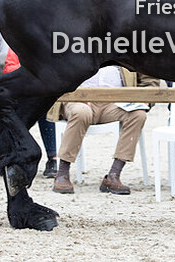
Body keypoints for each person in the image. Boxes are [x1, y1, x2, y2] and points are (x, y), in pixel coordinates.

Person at [49, 66, 159, 195]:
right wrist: (73, 94)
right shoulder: (73, 45)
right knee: (81, 112)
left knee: (138, 115)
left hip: (116, 102)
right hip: (78, 99)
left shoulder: (125, 46)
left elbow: (149, 78)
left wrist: (145, 99)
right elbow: (55, 71)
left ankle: (114, 175)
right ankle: (62, 174)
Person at [3, 49, 57, 178]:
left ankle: (53, 158)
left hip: (42, 93)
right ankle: (16, 158)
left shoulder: (47, 43)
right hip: (21, 94)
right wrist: (33, 69)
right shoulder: (17, 43)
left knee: (46, 113)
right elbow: (8, 69)